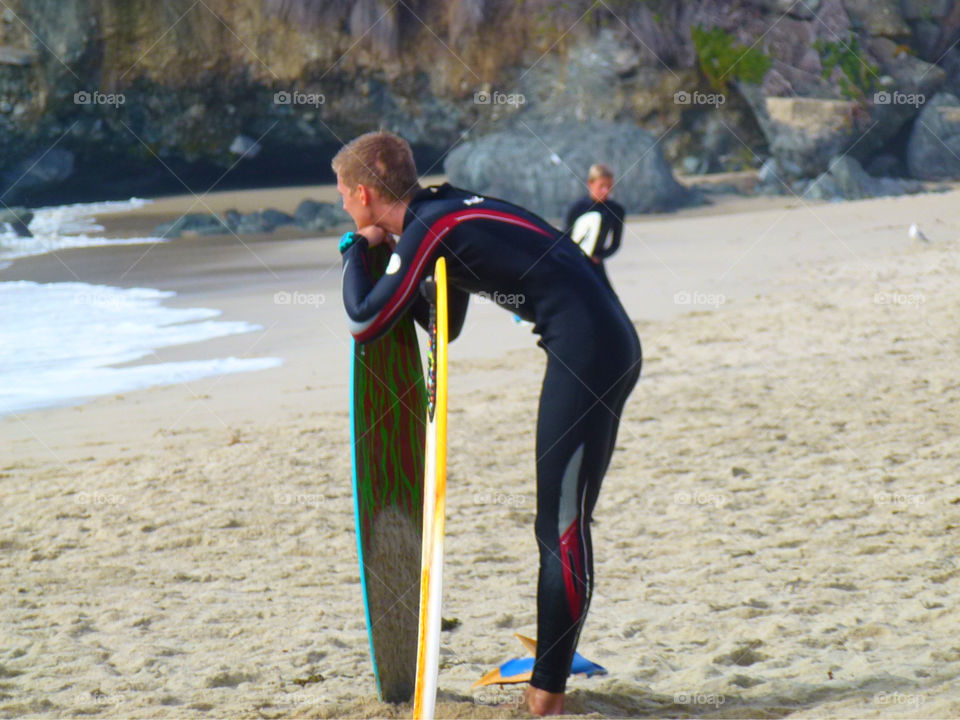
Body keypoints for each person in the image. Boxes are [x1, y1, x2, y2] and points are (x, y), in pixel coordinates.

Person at [335, 131, 641, 716]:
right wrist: (390, 261)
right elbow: (443, 322)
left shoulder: (430, 228)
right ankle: (549, 687)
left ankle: (546, 696)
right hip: (601, 344)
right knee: (560, 524)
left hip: (589, 355)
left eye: (346, 197)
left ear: (367, 193)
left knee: (562, 529)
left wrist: (355, 248)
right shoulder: (445, 210)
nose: (345, 207)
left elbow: (364, 321)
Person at [564, 164, 625, 290]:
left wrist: (599, 257)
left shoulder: (616, 210)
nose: (606, 191)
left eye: (609, 187)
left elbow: (615, 244)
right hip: (573, 263)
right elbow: (564, 239)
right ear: (590, 184)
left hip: (596, 265)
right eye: (601, 186)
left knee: (609, 301)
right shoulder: (577, 208)